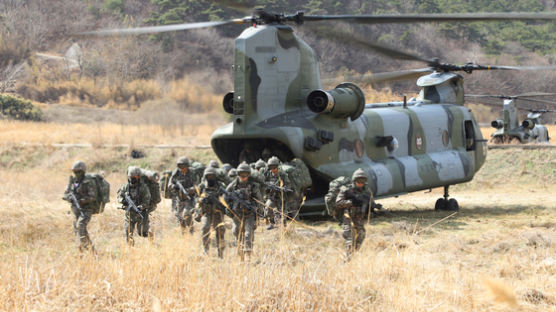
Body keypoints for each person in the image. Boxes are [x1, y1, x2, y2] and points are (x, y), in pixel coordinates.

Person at [226, 162, 262, 260]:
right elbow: (226, 198)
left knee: (248, 233)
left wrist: (255, 208)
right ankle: (240, 252)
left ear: (248, 175)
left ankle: (248, 253)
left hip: (249, 213)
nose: (243, 177)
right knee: (236, 231)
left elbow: (259, 200)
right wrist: (230, 209)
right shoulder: (233, 185)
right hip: (237, 213)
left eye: (245, 175)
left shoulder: (253, 186)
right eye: (241, 174)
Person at [336, 169, 373, 260]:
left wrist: (372, 205)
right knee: (350, 239)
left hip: (359, 219)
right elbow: (338, 202)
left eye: (362, 181)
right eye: (358, 181)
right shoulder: (346, 190)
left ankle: (352, 256)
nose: (360, 183)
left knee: (361, 236)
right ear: (354, 180)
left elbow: (370, 201)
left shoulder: (366, 190)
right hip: (348, 218)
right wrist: (351, 202)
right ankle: (347, 260)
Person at [63, 161, 97, 252]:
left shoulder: (88, 182)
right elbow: (65, 194)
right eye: (74, 171)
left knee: (80, 226)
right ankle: (90, 250)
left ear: (83, 171)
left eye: (78, 171)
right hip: (75, 210)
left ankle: (83, 249)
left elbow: (93, 197)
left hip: (86, 209)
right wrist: (70, 198)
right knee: (78, 229)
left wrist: (82, 200)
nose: (76, 173)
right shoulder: (72, 181)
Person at [195, 167, 226, 258]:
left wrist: (218, 201)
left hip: (217, 212)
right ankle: (205, 250)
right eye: (208, 176)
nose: (210, 177)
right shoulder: (202, 186)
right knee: (205, 228)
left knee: (220, 231)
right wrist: (202, 200)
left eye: (212, 176)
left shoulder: (221, 186)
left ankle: (220, 252)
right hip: (206, 212)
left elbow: (226, 199)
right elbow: (196, 198)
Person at [117, 166, 152, 245]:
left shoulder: (144, 188)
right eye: (130, 177)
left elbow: (147, 201)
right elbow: (119, 195)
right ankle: (131, 249)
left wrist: (140, 207)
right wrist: (123, 201)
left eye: (134, 177)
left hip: (141, 214)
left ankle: (150, 235)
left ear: (138, 176)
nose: (132, 178)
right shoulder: (126, 187)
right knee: (128, 233)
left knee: (143, 233)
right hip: (129, 215)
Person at [263, 156, 293, 229]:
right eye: (271, 167)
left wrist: (283, 189)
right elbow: (263, 183)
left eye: (274, 167)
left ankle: (283, 228)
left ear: (277, 166)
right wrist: (268, 187)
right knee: (268, 208)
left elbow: (288, 184)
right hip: (271, 196)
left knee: (282, 213)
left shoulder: (282, 174)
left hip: (280, 197)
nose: (273, 169)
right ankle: (272, 223)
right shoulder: (268, 174)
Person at [169, 156, 198, 234]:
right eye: (180, 166)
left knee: (187, 214)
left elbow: (197, 185)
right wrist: (174, 186)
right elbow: (170, 184)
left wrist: (190, 190)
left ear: (187, 165)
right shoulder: (176, 173)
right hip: (179, 198)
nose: (182, 168)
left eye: (183, 166)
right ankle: (184, 233)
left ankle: (191, 230)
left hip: (190, 199)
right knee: (179, 216)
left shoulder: (192, 173)